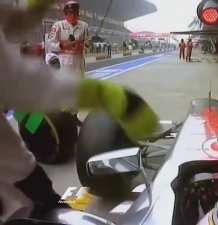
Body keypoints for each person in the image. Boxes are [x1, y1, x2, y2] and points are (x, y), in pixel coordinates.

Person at [0, 1, 159, 222]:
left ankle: (67, 124)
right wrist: (98, 93)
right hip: (61, 66)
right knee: (44, 112)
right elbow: (23, 77)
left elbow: (16, 26)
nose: (72, 13)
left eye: (74, 9)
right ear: (64, 12)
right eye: (69, 10)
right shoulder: (56, 27)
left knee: (62, 108)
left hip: (75, 67)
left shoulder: (83, 26)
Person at [48, 0, 89, 78]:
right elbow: (50, 44)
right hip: (63, 64)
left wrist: (83, 47)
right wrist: (62, 46)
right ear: (65, 14)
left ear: (78, 13)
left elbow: (88, 44)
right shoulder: (57, 25)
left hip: (78, 63)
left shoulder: (84, 26)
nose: (72, 16)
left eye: (75, 13)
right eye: (70, 13)